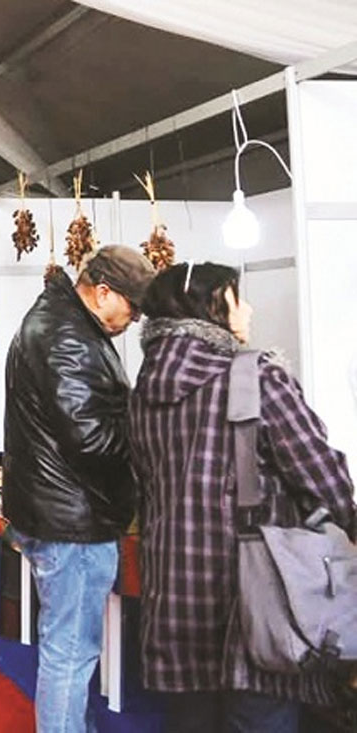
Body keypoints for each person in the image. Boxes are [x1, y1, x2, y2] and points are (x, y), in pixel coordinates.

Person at [129, 262, 356, 732]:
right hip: (253, 591)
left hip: (172, 588)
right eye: (237, 297)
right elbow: (323, 477)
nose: (248, 308)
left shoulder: (144, 389)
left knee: (190, 721)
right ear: (210, 307)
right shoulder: (255, 378)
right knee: (260, 717)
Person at [3, 245, 156, 733]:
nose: (134, 320)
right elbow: (91, 439)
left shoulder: (58, 322)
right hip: (73, 519)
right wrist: (147, 427)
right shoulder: (68, 337)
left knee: (67, 646)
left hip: (56, 509)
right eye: (132, 308)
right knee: (70, 650)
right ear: (103, 292)